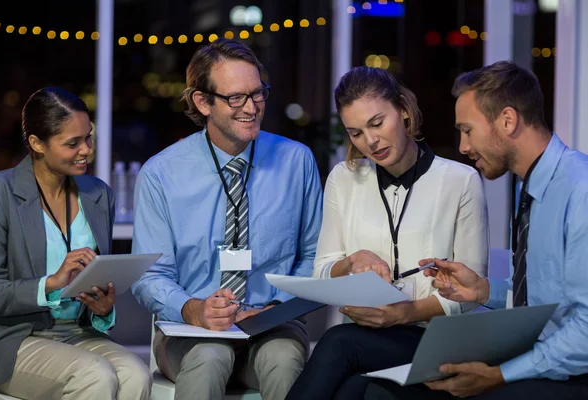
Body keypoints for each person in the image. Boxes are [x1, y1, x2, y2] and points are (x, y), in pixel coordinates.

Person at [363, 61, 588, 400]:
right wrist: (482, 290)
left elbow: (585, 331)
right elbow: (542, 298)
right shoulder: (528, 187)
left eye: (467, 130)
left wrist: (500, 375)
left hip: (571, 373)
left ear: (508, 121)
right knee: (376, 390)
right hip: (539, 361)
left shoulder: (580, 190)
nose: (464, 147)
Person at [131, 39, 323, 400]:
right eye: (236, 98)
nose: (251, 108)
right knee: (210, 355)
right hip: (189, 333)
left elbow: (313, 255)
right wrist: (192, 309)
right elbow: (149, 276)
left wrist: (276, 307)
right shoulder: (161, 173)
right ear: (203, 102)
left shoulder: (298, 162)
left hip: (274, 326)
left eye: (258, 94)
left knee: (283, 359)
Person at [286, 66, 489, 400]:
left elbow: (471, 294)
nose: (370, 141)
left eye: (377, 123)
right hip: (365, 341)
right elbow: (321, 272)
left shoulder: (460, 180)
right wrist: (351, 263)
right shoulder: (343, 178)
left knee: (338, 342)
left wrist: (405, 313)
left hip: (433, 341)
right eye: (356, 133)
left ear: (404, 111)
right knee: (355, 390)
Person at [0, 87, 152, 399]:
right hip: (12, 338)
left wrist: (102, 308)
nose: (86, 150)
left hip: (77, 333)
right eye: (72, 143)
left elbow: (97, 284)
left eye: (88, 137)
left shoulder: (98, 194)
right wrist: (51, 283)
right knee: (95, 375)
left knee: (136, 375)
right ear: (37, 143)